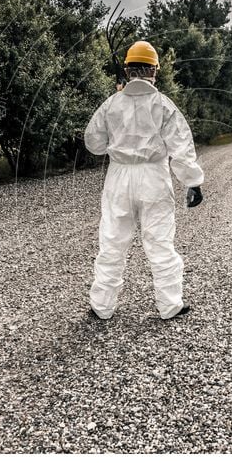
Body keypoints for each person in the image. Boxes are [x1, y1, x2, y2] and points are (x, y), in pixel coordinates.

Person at [84, 40, 204, 320]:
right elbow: (181, 147)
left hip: (119, 177)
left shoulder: (111, 104)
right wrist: (193, 181)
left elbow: (93, 142)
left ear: (127, 71)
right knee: (160, 243)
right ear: (155, 71)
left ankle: (102, 307)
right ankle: (170, 305)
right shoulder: (163, 105)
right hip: (154, 177)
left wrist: (117, 138)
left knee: (112, 241)